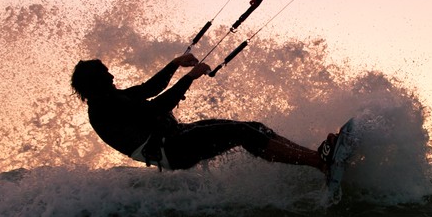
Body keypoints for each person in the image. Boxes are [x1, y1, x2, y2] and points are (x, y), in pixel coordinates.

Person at [71, 54, 333, 172]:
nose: (112, 75)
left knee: (252, 126)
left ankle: (314, 156)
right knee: (241, 133)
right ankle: (318, 161)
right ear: (96, 81)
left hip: (175, 138)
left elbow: (148, 88)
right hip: (170, 150)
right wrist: (190, 78)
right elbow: (156, 108)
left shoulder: (109, 97)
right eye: (106, 73)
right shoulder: (103, 106)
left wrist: (174, 64)